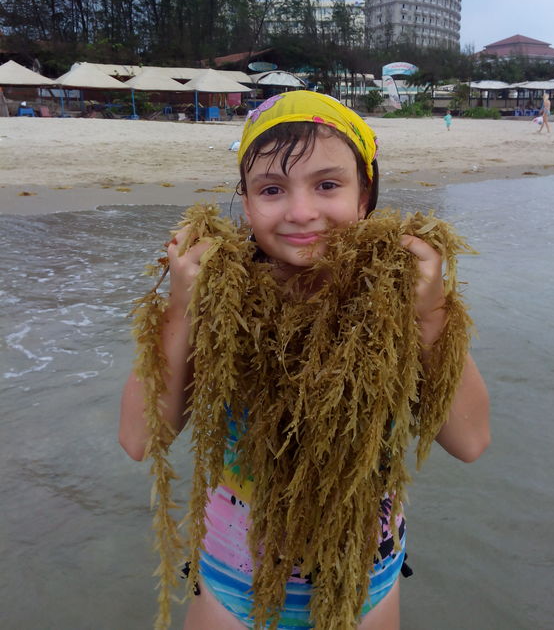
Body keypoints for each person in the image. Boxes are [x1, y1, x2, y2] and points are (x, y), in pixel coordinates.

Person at [119, 91, 490, 630]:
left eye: (327, 185)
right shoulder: (216, 298)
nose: (300, 212)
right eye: (272, 189)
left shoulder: (403, 296)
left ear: (364, 196)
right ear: (247, 203)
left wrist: (432, 315)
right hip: (233, 586)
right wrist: (181, 308)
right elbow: (139, 439)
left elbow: (470, 442)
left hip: (365, 583)